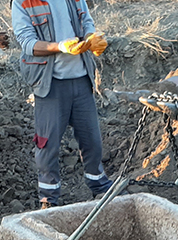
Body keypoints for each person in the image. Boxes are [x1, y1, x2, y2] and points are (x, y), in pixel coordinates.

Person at [10, 0, 112, 208]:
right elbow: (28, 43)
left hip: (81, 78)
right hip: (51, 84)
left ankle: (99, 186)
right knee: (47, 144)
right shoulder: (23, 2)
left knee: (91, 138)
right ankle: (49, 196)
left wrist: (92, 38)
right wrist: (60, 47)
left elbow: (86, 20)